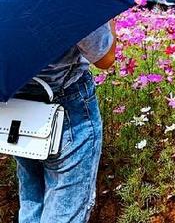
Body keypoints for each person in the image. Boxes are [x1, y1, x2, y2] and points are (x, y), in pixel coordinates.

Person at [13, 22, 116, 223]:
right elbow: (106, 58)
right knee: (65, 209)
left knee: (32, 202)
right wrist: (109, 17)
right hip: (66, 105)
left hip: (17, 105)